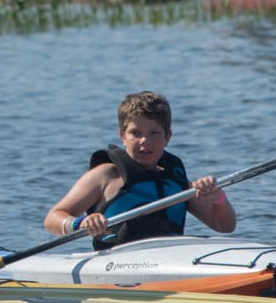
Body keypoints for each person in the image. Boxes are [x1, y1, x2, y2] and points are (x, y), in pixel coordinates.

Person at [44, 91, 235, 249]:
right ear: (122, 136)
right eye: (135, 133)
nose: (145, 141)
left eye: (154, 133)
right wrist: (80, 223)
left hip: (171, 260)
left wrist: (217, 198)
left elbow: (224, 226)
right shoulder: (106, 175)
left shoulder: (178, 184)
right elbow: (52, 219)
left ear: (167, 136)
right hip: (116, 263)